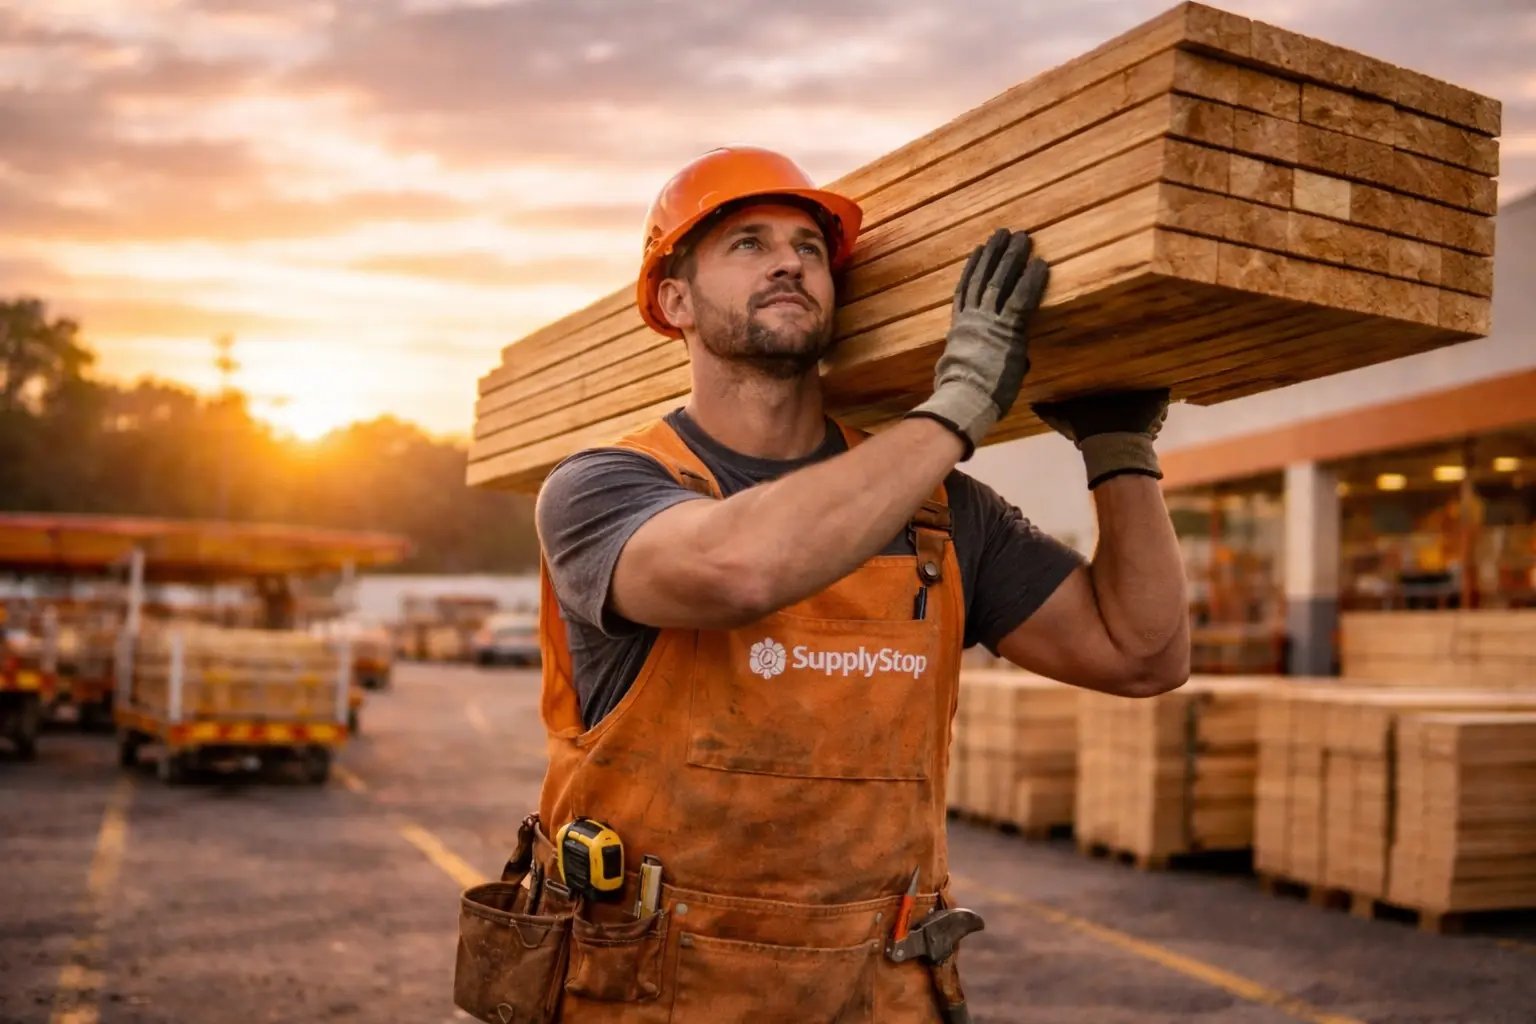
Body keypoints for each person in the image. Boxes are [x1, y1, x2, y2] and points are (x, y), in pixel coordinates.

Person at [531, 146, 1189, 1021]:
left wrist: (1120, 453)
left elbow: (1140, 653)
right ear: (673, 300)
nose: (788, 263)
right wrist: (955, 408)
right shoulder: (606, 487)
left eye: (809, 247)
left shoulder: (942, 513)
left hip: (879, 990)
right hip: (656, 991)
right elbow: (737, 569)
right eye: (746, 244)